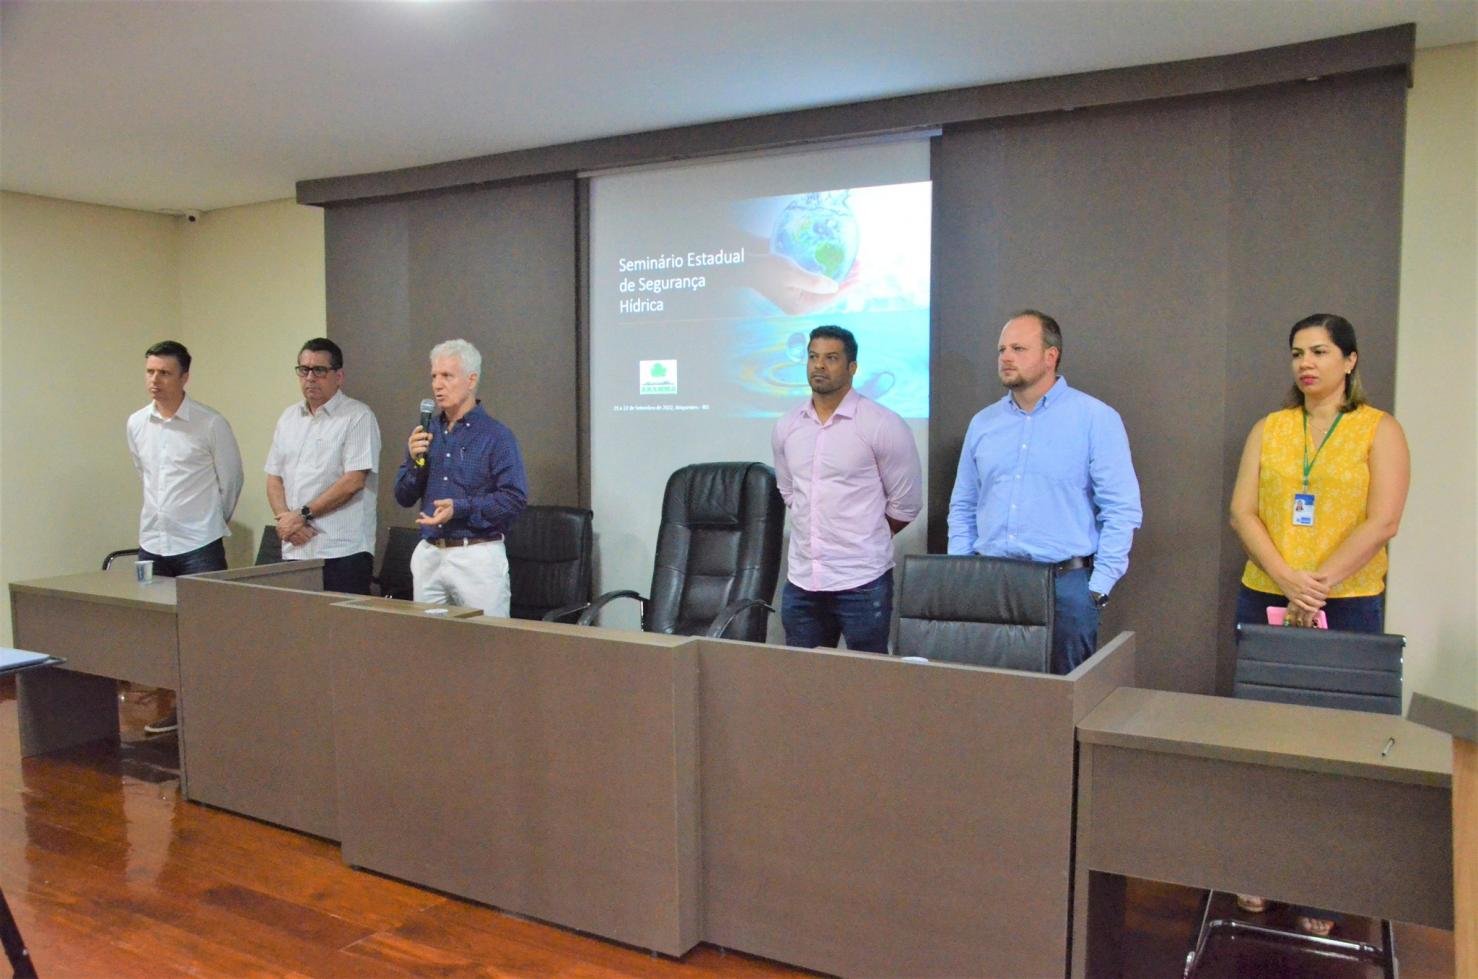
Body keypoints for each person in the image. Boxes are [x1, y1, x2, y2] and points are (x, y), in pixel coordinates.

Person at [1228, 312, 1409, 936]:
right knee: (1265, 738)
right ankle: (1259, 866)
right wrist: (1288, 580)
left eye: (1321, 352)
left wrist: (1319, 584)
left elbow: (1384, 520)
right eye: (1297, 353)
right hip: (1267, 597)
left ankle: (1325, 887)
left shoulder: (1378, 429)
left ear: (1350, 361)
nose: (1306, 363)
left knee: (1336, 746)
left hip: (1348, 602)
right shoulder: (1271, 428)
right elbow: (1243, 512)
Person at [947, 310, 1142, 675]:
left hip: (1064, 586)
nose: (1006, 357)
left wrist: (1097, 587)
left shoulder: (1095, 418)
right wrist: (962, 571)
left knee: (1062, 698)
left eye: (1018, 348)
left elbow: (1121, 509)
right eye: (1002, 349)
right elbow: (964, 504)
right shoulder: (983, 423)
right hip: (991, 581)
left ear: (1051, 356)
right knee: (989, 692)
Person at [771, 324, 922, 653]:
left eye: (831, 358)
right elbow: (790, 492)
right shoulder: (787, 425)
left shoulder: (882, 424)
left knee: (866, 678)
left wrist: (866, 535)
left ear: (852, 367)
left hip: (862, 581)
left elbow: (906, 503)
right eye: (813, 357)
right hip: (803, 581)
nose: (819, 365)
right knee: (803, 676)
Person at [126, 340, 244, 734]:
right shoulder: (136, 423)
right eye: (150, 372)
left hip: (199, 546)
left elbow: (231, 480)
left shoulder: (210, 423)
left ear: (185, 377)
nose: (155, 380)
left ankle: (211, 714)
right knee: (158, 632)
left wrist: (209, 523)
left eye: (164, 373)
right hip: (153, 543)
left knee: (205, 634)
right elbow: (143, 474)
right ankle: (173, 708)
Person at [393, 338, 527, 616]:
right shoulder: (426, 432)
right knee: (428, 638)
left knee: (486, 639)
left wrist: (460, 508)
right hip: (430, 554)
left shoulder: (496, 436)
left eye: (447, 376)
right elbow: (403, 496)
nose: (437, 385)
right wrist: (415, 461)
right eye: (434, 376)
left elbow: (513, 499)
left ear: (471, 380)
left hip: (476, 554)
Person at [265, 338, 382, 594]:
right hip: (296, 547)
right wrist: (286, 521)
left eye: (319, 370)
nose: (310, 377)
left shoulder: (358, 416)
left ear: (339, 376)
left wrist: (301, 516)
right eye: (303, 370)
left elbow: (353, 481)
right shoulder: (288, 417)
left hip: (342, 550)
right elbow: (274, 477)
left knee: (343, 621)